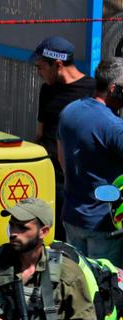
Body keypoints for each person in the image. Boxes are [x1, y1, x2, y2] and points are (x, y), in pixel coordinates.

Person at [58, 58, 123, 267]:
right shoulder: (114, 127)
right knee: (104, 283)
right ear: (114, 89)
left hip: (72, 216)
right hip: (103, 227)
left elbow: (61, 157)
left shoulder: (70, 110)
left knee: (77, 280)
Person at [31, 36, 95, 241]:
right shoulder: (47, 91)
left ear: (57, 64)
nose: (39, 73)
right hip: (47, 179)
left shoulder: (91, 91)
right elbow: (40, 133)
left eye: (41, 67)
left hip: (75, 184)